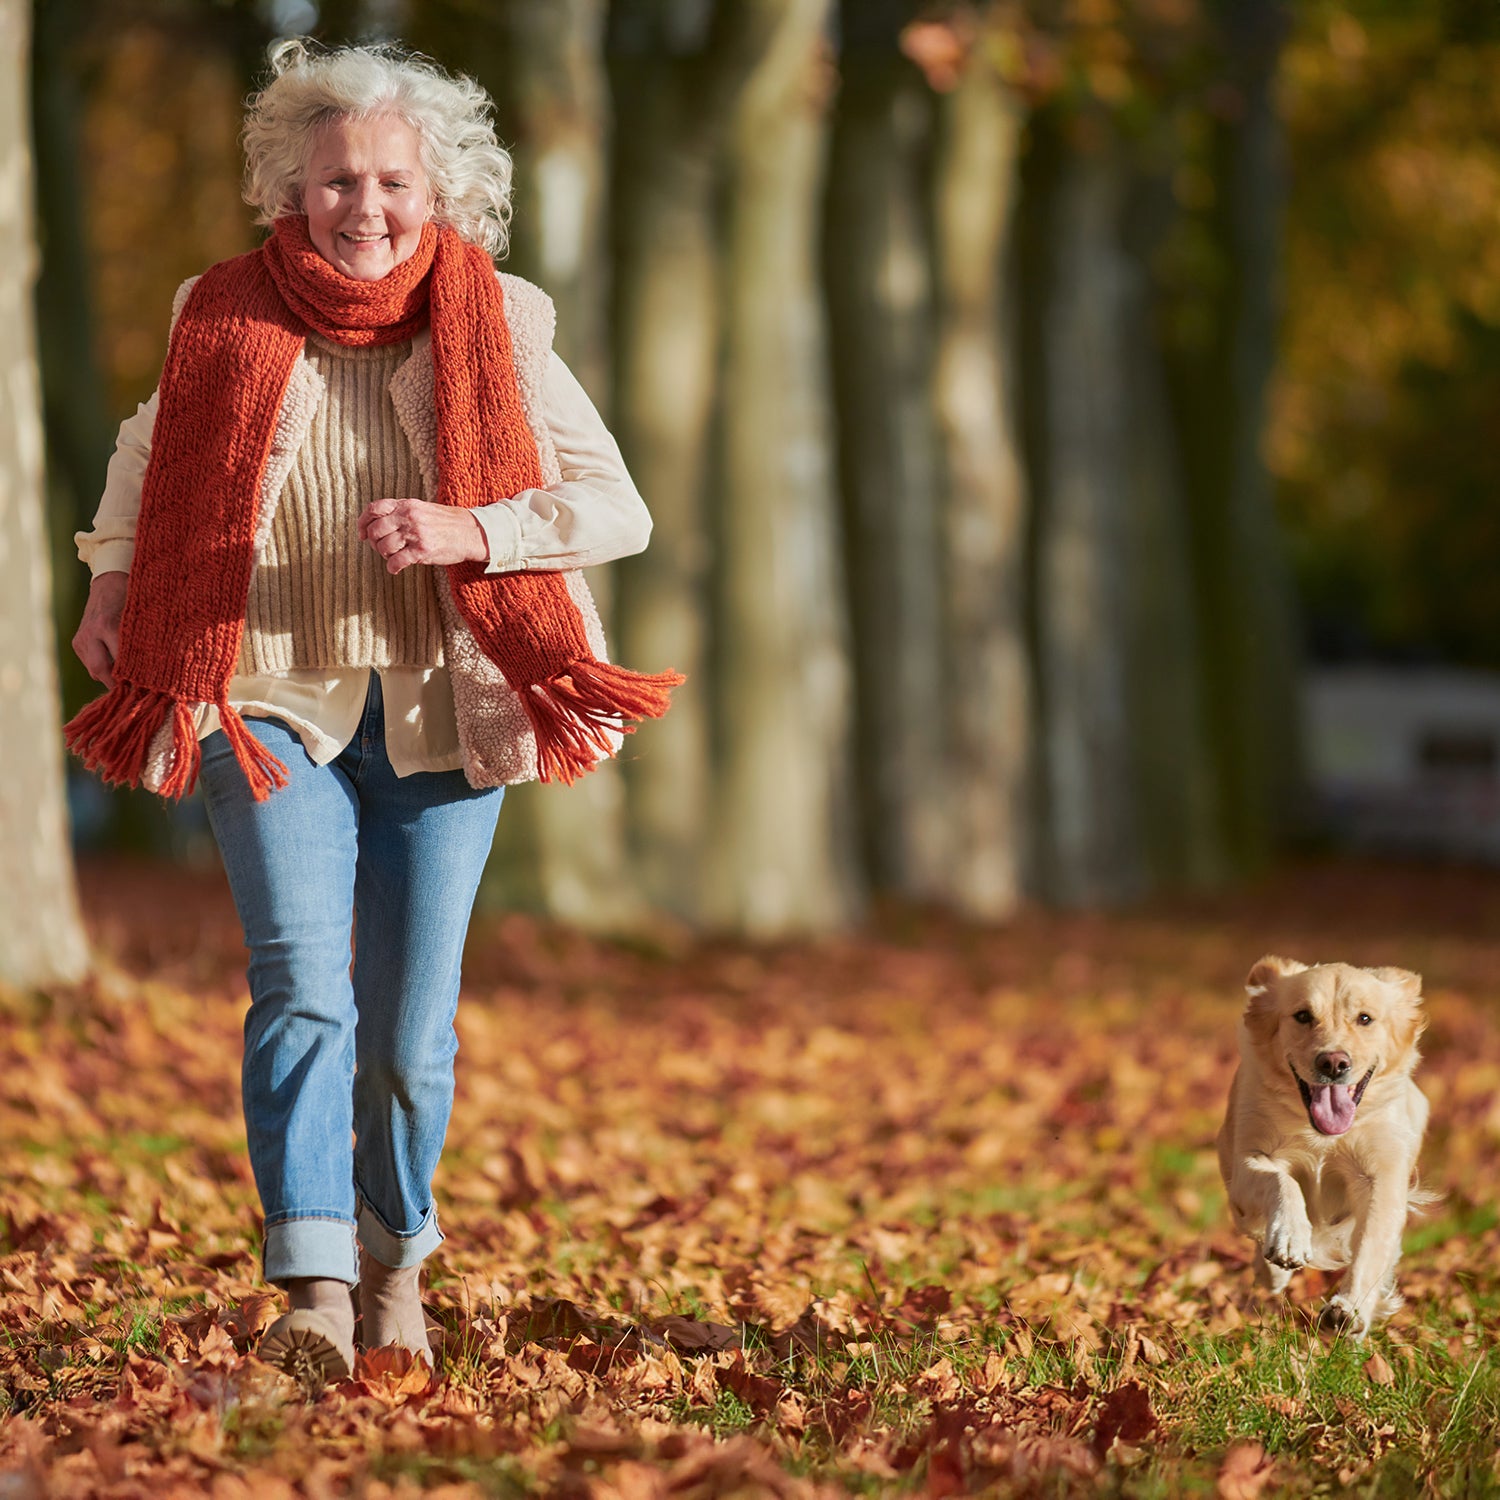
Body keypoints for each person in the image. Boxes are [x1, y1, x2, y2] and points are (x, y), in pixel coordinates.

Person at [68, 38, 680, 1384]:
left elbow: (617, 508)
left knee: (407, 1036)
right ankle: (314, 1289)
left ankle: (398, 1258)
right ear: (292, 187)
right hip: (263, 695)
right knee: (299, 984)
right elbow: (147, 448)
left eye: (394, 182)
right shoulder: (220, 310)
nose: (366, 207)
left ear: (438, 190)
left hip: (444, 712)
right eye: (338, 180)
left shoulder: (503, 321)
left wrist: (476, 527)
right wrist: (113, 572)